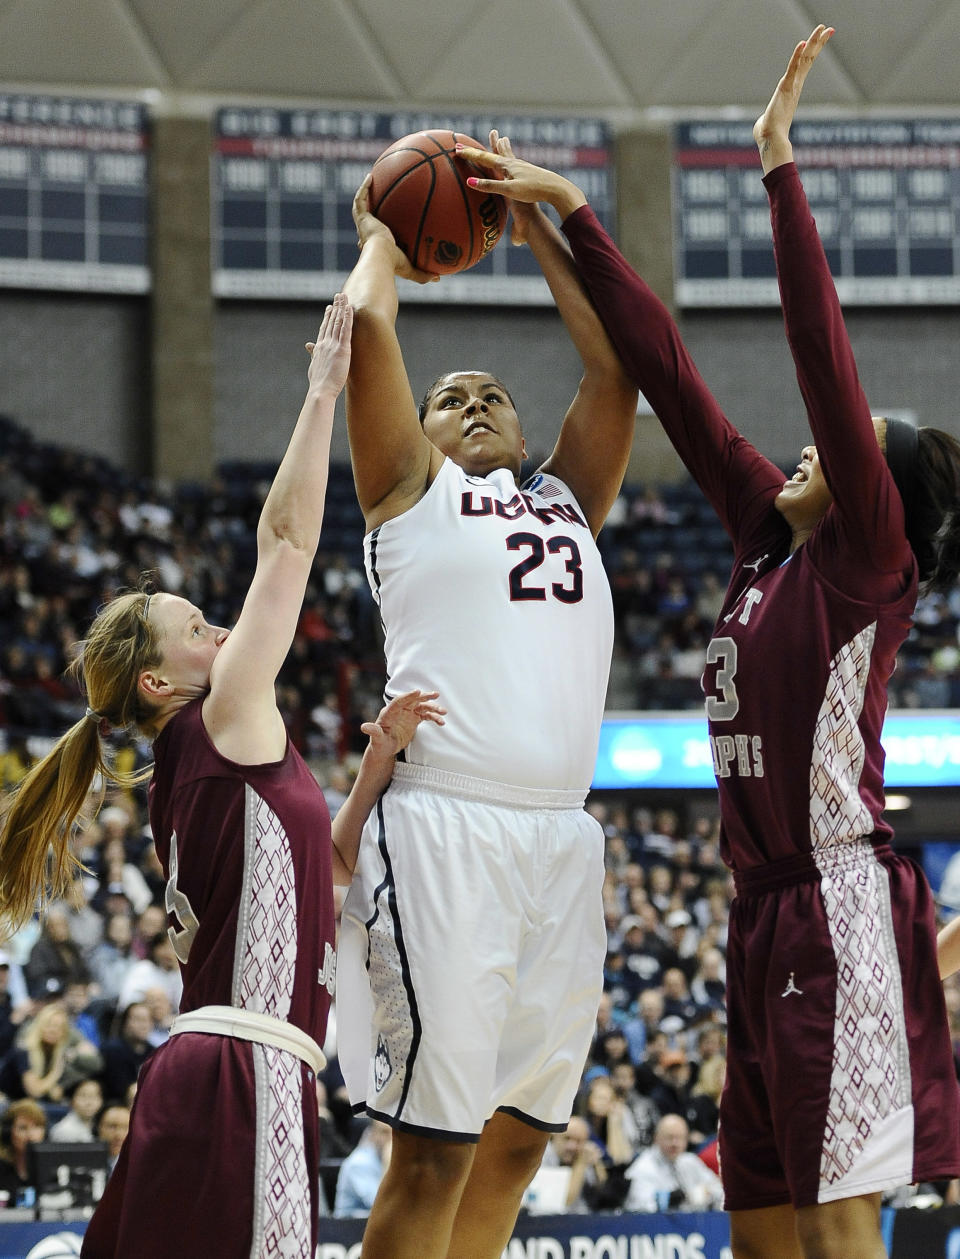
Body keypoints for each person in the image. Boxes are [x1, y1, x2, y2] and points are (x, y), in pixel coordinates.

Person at [462, 24, 960, 1259]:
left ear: (870, 488)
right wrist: (570, 219)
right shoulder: (762, 539)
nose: (805, 447)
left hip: (836, 899)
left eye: (841, 448)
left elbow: (821, 357)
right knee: (761, 1230)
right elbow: (672, 376)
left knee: (843, 1228)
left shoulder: (864, 562)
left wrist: (777, 166)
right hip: (758, 913)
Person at [0, 298, 444, 1259]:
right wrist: (321, 392)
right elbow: (285, 547)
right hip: (248, 1068)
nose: (218, 631)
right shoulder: (220, 715)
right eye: (195, 627)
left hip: (216, 1067)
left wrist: (370, 771)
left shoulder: (204, 762)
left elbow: (316, 877)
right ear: (160, 680)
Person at [335, 131, 638, 1259]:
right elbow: (370, 327)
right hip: (447, 824)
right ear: (412, 433)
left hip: (561, 837)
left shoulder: (567, 501)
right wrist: (380, 232)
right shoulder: (407, 498)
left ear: (520, 431)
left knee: (520, 1138)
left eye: (491, 394)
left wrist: (536, 229)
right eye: (448, 396)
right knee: (438, 1145)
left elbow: (615, 372)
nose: (469, 402)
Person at [623, 1114, 724, 1213]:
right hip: (658, 1227)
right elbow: (641, 1209)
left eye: (680, 1138)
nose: (675, 1143)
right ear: (656, 1138)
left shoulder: (689, 1161)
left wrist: (707, 1192)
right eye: (670, 1137)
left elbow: (719, 1189)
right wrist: (677, 1200)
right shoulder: (642, 1168)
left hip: (692, 1226)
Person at [332, 1119, 392, 1218]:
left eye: (395, 1133)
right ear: (373, 1134)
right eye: (384, 1132)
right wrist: (388, 1164)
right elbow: (382, 1205)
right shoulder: (358, 1163)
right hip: (348, 1228)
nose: (391, 1139)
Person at [0, 1098, 47, 1207]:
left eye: (37, 1127)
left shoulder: (52, 1165)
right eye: (23, 1128)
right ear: (8, 1133)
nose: (30, 1135)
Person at [50, 1076, 104, 1142]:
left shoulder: (102, 1125)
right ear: (72, 1100)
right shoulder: (64, 1131)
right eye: (83, 1095)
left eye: (95, 1096)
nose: (89, 1102)